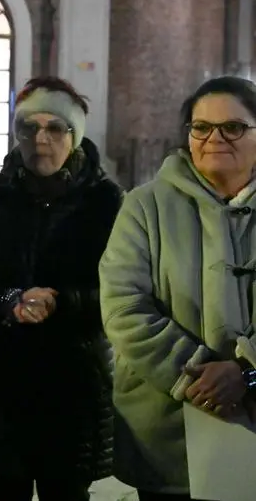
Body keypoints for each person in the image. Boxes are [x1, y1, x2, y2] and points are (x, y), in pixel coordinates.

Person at [0, 76, 121, 501]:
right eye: (29, 127)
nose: (40, 138)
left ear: (74, 135)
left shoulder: (105, 201)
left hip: (73, 379)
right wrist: (9, 300)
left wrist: (60, 303)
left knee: (66, 490)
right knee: (4, 488)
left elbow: (122, 290)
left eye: (55, 127)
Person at [100, 76, 256, 501]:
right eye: (201, 127)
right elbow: (123, 305)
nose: (214, 138)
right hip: (167, 425)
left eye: (234, 127)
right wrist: (198, 375)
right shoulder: (144, 206)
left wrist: (247, 373)